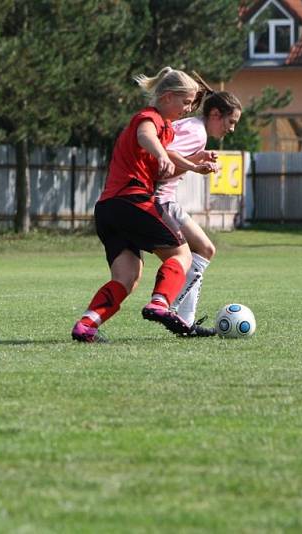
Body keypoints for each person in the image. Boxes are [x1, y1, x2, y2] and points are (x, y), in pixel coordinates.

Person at [71, 67, 204, 342]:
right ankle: (160, 303)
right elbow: (147, 136)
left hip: (108, 209)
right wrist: (161, 154)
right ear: (167, 97)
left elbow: (166, 152)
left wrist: (194, 164)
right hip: (132, 200)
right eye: (187, 101)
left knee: (126, 276)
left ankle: (86, 326)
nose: (189, 108)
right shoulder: (149, 117)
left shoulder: (164, 129)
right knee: (182, 255)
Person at [157, 83, 243, 337]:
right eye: (231, 121)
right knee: (204, 249)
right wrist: (196, 166)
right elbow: (165, 157)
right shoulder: (197, 132)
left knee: (198, 252)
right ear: (215, 114)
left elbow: (169, 153)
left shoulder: (192, 127)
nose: (232, 128)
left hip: (161, 199)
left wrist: (197, 159)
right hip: (159, 199)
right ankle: (173, 312)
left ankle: (184, 320)